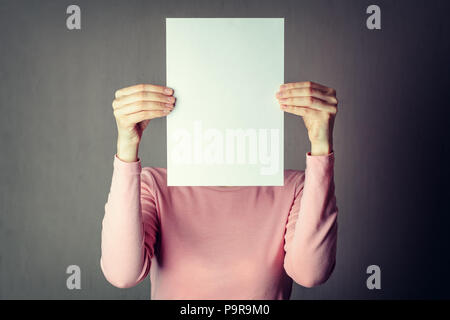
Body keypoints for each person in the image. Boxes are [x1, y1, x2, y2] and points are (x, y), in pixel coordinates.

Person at [100, 81, 339, 299]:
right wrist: (127, 146)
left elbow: (311, 273)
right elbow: (122, 273)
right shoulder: (155, 185)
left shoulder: (293, 188)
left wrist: (321, 145)